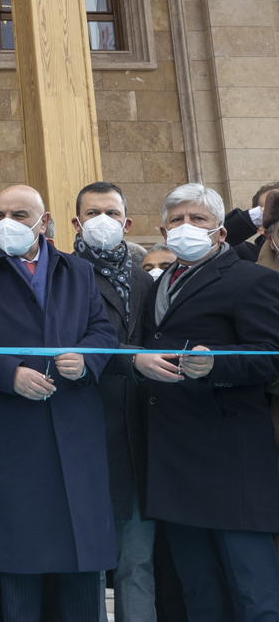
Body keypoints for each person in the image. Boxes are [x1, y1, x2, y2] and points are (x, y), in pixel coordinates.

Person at [0, 184, 119, 622]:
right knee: (19, 560)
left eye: (20, 215)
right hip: (9, 432)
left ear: (44, 220)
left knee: (80, 561)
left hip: (74, 428)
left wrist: (88, 359)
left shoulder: (76, 270)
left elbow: (102, 331)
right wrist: (9, 373)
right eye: (0, 214)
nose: (7, 224)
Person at [135, 183, 279, 621]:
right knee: (199, 593)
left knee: (254, 592)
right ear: (162, 229)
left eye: (197, 219)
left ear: (220, 231)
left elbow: (270, 355)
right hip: (173, 457)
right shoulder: (154, 285)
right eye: (177, 220)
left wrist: (216, 365)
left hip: (229, 456)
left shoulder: (254, 280)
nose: (186, 227)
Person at [69, 181, 156, 622]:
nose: (102, 221)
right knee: (84, 561)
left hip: (136, 432)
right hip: (82, 425)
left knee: (136, 561)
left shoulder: (143, 278)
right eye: (92, 213)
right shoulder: (61, 273)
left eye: (111, 212)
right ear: (76, 223)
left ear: (127, 221)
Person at [224, 180, 279, 262]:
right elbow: (216, 239)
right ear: (260, 227)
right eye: (274, 207)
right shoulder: (247, 254)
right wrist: (259, 214)